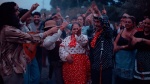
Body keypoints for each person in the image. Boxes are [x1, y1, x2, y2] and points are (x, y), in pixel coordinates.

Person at [0, 2, 58, 84]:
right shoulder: (8, 30)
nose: (18, 12)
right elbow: (30, 38)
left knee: (35, 76)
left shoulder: (11, 27)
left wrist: (23, 54)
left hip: (20, 62)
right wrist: (50, 31)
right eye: (16, 10)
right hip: (10, 70)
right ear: (9, 13)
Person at [88, 3, 113, 84]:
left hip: (105, 66)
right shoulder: (93, 33)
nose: (96, 24)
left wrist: (99, 13)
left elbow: (105, 25)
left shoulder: (107, 32)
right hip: (95, 65)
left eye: (98, 22)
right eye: (95, 22)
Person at [42, 20, 67, 84]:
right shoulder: (47, 39)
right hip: (55, 64)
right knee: (58, 80)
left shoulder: (58, 37)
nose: (54, 29)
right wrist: (60, 30)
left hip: (63, 63)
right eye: (50, 28)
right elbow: (49, 42)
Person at [113, 16, 137, 84]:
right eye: (126, 22)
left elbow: (132, 45)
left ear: (133, 24)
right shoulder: (122, 31)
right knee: (118, 78)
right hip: (119, 58)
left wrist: (120, 47)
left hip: (129, 57)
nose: (127, 23)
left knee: (126, 80)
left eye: (129, 22)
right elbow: (115, 41)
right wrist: (115, 47)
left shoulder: (135, 32)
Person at [132, 17, 150, 84]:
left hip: (148, 61)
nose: (146, 25)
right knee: (138, 80)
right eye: (145, 23)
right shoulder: (138, 33)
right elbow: (132, 44)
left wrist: (142, 40)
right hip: (139, 61)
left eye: (148, 24)